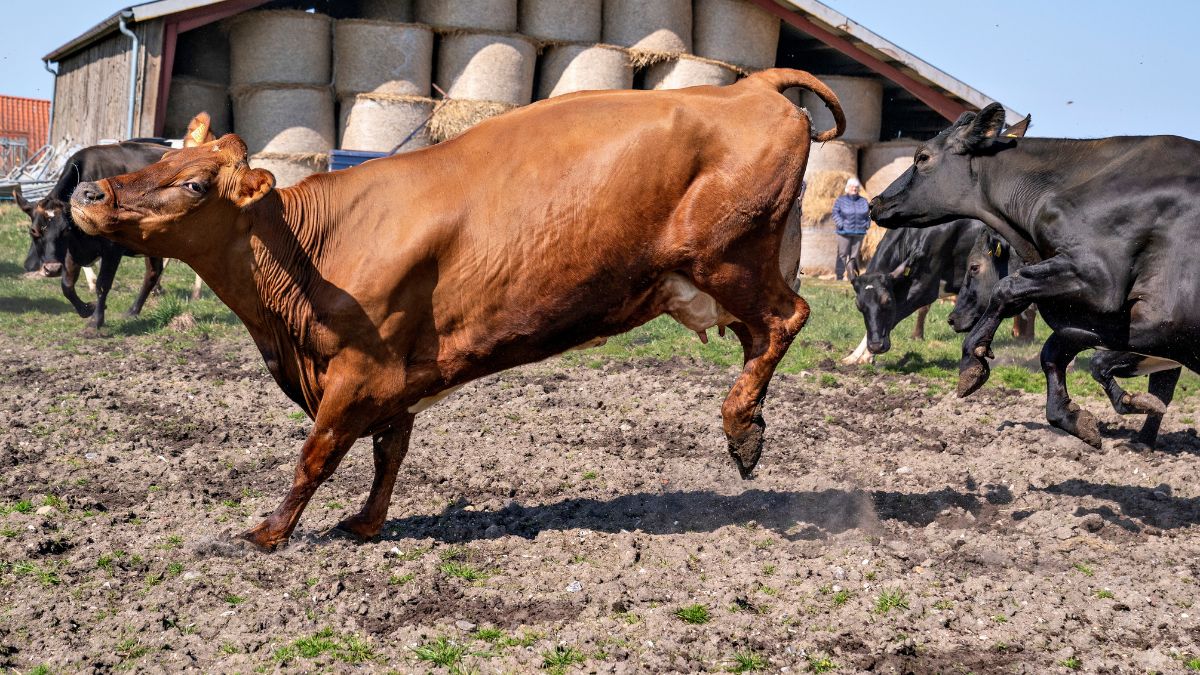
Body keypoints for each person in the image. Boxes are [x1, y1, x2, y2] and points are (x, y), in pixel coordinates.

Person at [831, 176, 870, 280]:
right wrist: (841, 223)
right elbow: (835, 212)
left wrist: (867, 224)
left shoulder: (863, 201)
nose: (854, 189)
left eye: (856, 187)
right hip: (844, 231)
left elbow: (868, 215)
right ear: (847, 188)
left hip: (859, 232)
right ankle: (839, 275)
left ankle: (852, 276)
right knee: (842, 254)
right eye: (852, 187)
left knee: (854, 255)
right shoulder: (841, 200)